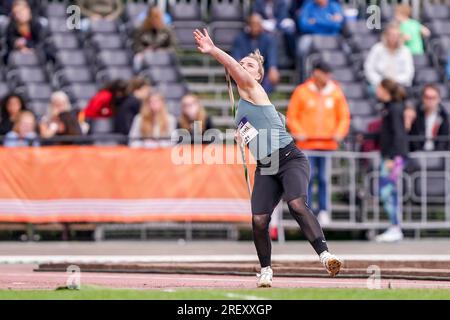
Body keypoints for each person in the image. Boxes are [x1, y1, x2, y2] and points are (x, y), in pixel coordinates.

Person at [194, 28, 342, 288]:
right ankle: (266, 270)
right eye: (241, 64)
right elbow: (271, 124)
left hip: (289, 159)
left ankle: (325, 255)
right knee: (259, 220)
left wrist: (213, 50)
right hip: (266, 165)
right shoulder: (242, 105)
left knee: (296, 204)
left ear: (258, 75)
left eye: (248, 65)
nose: (242, 67)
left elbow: (233, 68)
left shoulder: (254, 88)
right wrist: (244, 137)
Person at [286, 60, 350, 225]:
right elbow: (292, 115)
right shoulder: (302, 91)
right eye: (325, 72)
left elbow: (343, 116)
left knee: (324, 179)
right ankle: (305, 211)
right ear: (316, 72)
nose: (328, 76)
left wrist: (339, 132)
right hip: (307, 145)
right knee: (307, 179)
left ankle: (323, 211)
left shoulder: (335, 92)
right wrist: (298, 132)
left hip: (327, 145)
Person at [375, 79, 409, 242]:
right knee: (389, 191)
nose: (377, 91)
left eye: (379, 88)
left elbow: (398, 134)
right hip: (390, 155)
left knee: (388, 191)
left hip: (394, 157)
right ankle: (395, 226)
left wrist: (394, 158)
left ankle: (396, 226)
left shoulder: (395, 108)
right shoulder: (388, 108)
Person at [232, 13, 280, 94]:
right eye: (253, 24)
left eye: (257, 24)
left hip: (262, 71)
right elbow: (237, 56)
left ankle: (260, 99)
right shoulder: (240, 38)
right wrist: (241, 67)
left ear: (261, 25)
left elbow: (272, 56)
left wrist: (273, 68)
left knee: (271, 77)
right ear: (249, 25)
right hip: (245, 71)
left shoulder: (268, 39)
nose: (255, 26)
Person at [296, 0, 344, 81]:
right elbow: (303, 25)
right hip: (312, 35)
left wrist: (316, 21)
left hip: (332, 37)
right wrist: (329, 21)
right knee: (302, 45)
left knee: (345, 46)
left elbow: (337, 25)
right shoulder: (308, 5)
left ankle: (341, 77)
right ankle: (303, 78)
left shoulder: (334, 6)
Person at [364, 24, 414, 90]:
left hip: (399, 85)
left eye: (397, 35)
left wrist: (394, 82)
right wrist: (382, 82)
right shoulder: (377, 48)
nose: (394, 37)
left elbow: (408, 73)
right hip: (379, 85)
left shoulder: (405, 51)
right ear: (386, 36)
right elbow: (369, 69)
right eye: (391, 35)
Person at [132, 6, 176, 72]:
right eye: (153, 18)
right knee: (137, 59)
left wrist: (162, 50)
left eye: (158, 18)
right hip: (145, 53)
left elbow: (173, 46)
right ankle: (138, 74)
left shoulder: (167, 30)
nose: (156, 20)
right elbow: (136, 45)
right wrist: (145, 50)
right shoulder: (140, 29)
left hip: (162, 53)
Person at [410, 84, 450, 152]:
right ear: (422, 98)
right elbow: (413, 140)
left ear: (439, 99)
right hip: (418, 154)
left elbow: (444, 141)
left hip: (439, 155)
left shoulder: (444, 117)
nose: (430, 101)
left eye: (433, 97)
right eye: (427, 97)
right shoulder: (415, 116)